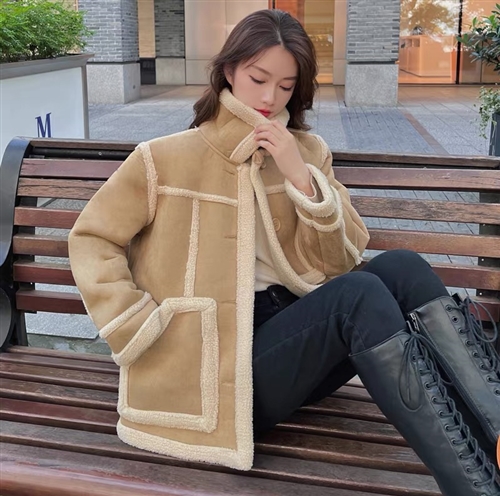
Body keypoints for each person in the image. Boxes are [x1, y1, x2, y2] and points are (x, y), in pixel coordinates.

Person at [68, 9, 500, 495]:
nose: (270, 99)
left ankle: (497, 438)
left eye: (286, 86)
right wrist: (140, 326)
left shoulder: (308, 153)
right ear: (229, 70)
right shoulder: (164, 158)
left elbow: (339, 263)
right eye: (258, 79)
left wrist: (302, 178)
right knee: (357, 296)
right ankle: (474, 488)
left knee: (402, 267)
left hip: (293, 343)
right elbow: (92, 237)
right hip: (212, 373)